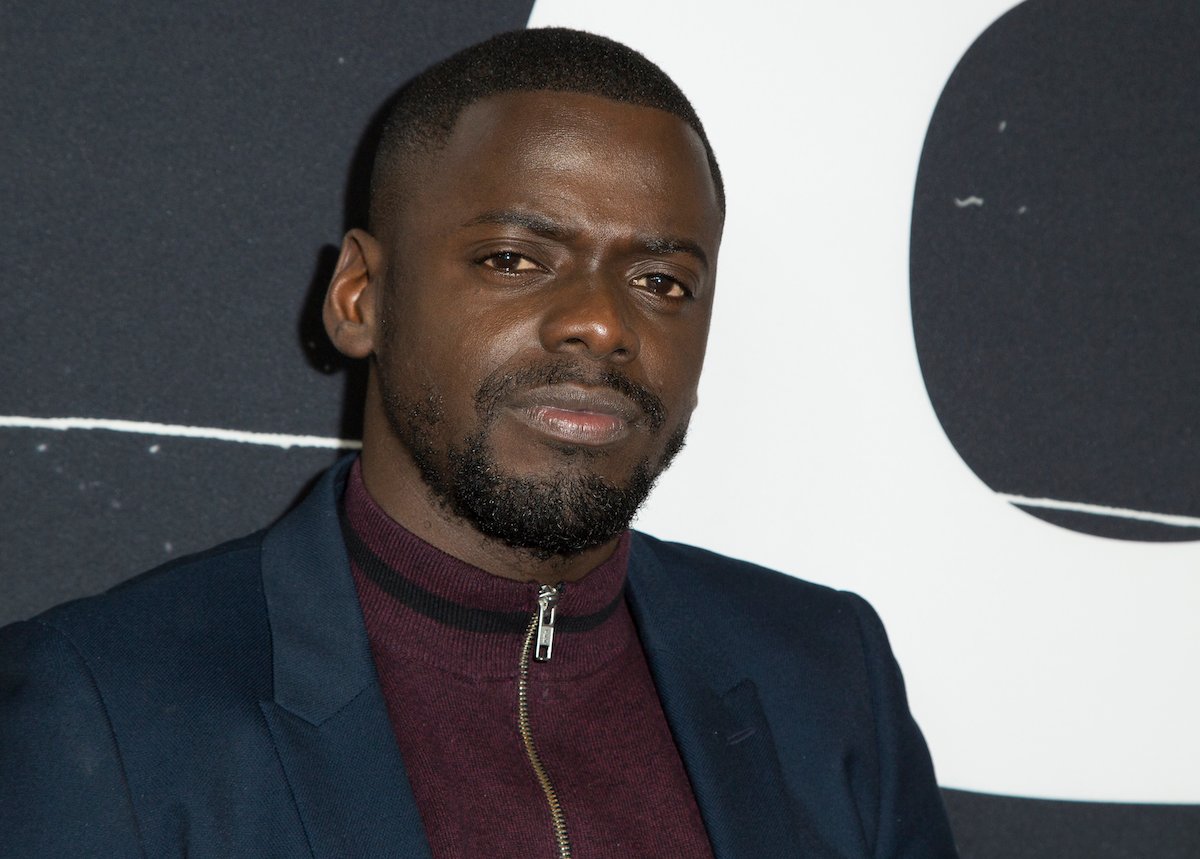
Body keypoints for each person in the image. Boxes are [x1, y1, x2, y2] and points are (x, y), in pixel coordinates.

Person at [0, 28, 957, 858]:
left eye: (662, 280)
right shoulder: (103, 706)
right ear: (360, 297)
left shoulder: (828, 680)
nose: (599, 322)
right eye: (514, 259)